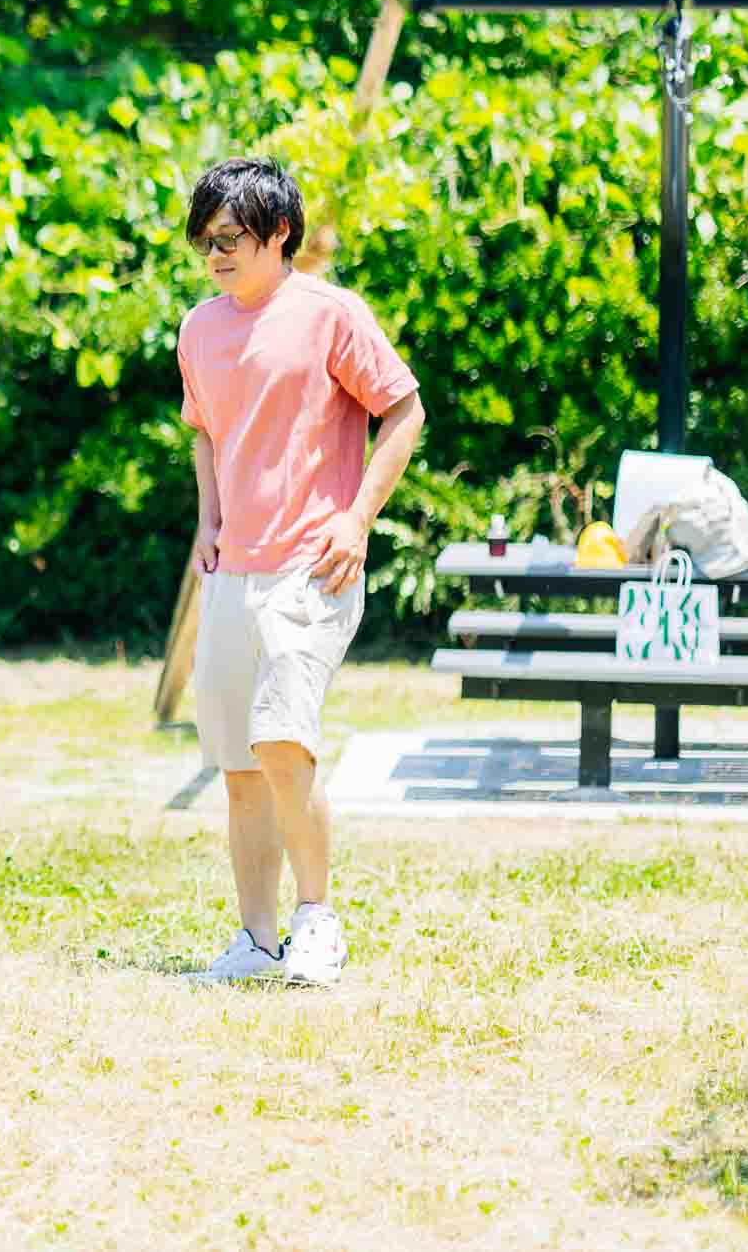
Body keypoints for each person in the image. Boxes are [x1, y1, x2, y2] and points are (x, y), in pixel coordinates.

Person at [178, 158, 425, 987]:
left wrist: (357, 519)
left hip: (312, 565)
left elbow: (405, 408)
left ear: (278, 233)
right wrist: (208, 520)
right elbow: (206, 429)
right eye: (203, 239)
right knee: (239, 766)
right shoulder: (198, 328)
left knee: (283, 741)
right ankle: (255, 939)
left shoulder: (330, 314)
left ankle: (317, 922)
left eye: (228, 238)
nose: (213, 254)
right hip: (233, 570)